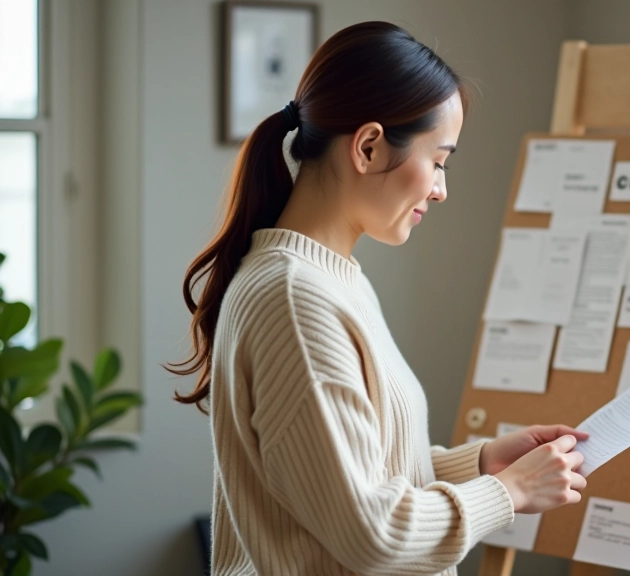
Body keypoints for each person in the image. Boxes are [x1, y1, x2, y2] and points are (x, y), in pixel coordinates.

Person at [168, 21, 588, 576]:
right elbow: (373, 534)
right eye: (437, 161)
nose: (441, 188)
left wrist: (484, 463)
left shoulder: (334, 281)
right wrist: (507, 492)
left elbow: (360, 478)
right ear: (367, 147)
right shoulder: (296, 300)